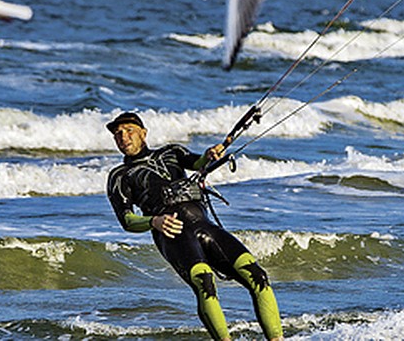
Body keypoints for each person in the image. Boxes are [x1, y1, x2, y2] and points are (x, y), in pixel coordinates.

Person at [105, 111, 283, 341]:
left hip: (205, 226)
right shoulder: (120, 176)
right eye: (118, 134)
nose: (123, 137)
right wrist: (154, 222)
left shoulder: (172, 152)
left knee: (258, 276)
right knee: (205, 281)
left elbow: (198, 162)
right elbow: (127, 221)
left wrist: (210, 154)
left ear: (143, 133)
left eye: (129, 131)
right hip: (174, 234)